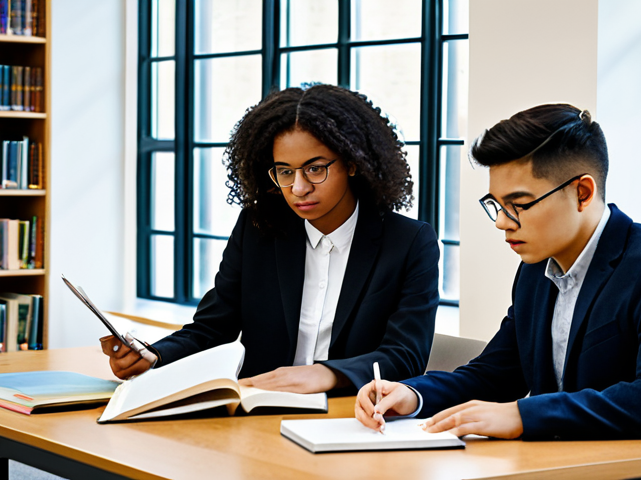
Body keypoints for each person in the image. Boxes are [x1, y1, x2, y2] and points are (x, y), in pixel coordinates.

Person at [355, 104, 641, 443]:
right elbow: (497, 373)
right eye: (495, 205)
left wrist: (522, 415)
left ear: (583, 192)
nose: (502, 222)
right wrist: (411, 394)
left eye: (519, 204)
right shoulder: (535, 271)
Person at [100, 84, 440, 394]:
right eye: (285, 171)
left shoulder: (409, 243)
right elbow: (212, 327)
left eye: (315, 168)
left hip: (353, 416)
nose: (299, 188)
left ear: (353, 163)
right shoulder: (259, 228)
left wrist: (328, 374)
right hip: (259, 412)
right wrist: (154, 355)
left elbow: (405, 355)